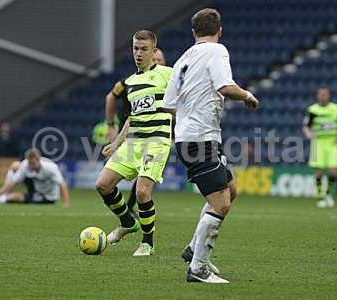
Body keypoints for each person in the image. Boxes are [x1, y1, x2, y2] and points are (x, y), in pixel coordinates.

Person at [163, 8, 259, 283]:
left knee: (230, 189)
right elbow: (225, 86)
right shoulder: (217, 51)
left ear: (194, 33)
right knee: (221, 204)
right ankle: (198, 268)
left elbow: (169, 105)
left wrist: (189, 118)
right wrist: (249, 96)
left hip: (190, 137)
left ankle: (194, 247)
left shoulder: (183, 58)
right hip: (200, 139)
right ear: (220, 30)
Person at [96, 31, 172, 256]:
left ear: (154, 50)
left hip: (157, 141)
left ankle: (147, 242)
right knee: (103, 185)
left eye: (144, 49)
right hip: (133, 143)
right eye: (135, 49)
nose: (138, 53)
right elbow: (133, 117)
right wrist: (117, 142)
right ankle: (128, 222)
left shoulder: (169, 74)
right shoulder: (130, 82)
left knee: (142, 192)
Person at [105, 48, 167, 217]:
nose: (158, 62)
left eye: (160, 60)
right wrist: (111, 125)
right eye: (155, 59)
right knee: (107, 181)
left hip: (153, 133)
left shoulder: (167, 79)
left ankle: (130, 209)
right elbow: (110, 97)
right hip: (129, 130)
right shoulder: (127, 82)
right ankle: (127, 213)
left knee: (144, 178)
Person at [0, 148, 70, 207]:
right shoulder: (26, 165)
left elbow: (62, 184)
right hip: (34, 187)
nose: (31, 166)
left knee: (13, 198)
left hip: (47, 196)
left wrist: (66, 203)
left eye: (32, 163)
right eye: (29, 163)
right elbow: (11, 184)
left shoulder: (51, 167)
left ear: (38, 160)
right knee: (15, 165)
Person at [303, 87, 337, 208]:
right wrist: (308, 133)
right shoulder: (312, 110)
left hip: (331, 142)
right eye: (320, 94)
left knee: (333, 171)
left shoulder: (335, 108)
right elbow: (306, 126)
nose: (322, 96)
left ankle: (328, 194)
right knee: (319, 172)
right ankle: (320, 195)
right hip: (318, 143)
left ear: (329, 95)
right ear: (317, 96)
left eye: (324, 94)